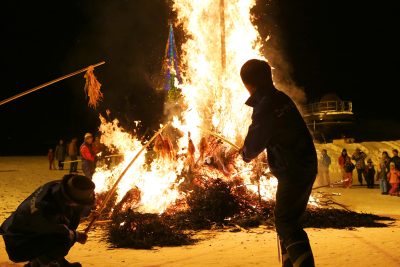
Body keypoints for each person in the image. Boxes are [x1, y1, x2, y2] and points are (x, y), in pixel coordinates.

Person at [239, 59, 317, 267]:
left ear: (248, 84)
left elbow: (255, 142)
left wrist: (245, 153)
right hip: (302, 164)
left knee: (286, 221)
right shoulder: (279, 98)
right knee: (285, 220)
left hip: (294, 168)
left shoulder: (265, 106)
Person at [0, 174, 95, 267]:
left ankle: (57, 260)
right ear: (69, 200)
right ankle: (40, 263)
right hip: (18, 244)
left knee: (73, 216)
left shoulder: (57, 186)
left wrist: (88, 216)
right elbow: (62, 231)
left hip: (32, 231)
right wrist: (77, 236)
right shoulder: (44, 207)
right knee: (64, 237)